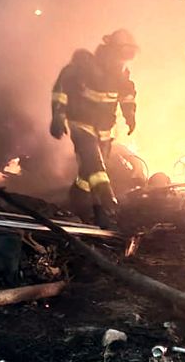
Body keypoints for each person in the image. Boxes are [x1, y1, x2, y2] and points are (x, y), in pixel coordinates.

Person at [50, 29, 138, 229]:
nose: (123, 60)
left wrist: (130, 116)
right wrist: (58, 116)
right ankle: (106, 205)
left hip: (104, 130)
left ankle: (78, 198)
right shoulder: (86, 67)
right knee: (96, 167)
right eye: (122, 54)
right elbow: (62, 88)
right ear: (112, 50)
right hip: (81, 124)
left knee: (87, 174)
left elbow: (127, 97)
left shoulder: (121, 75)